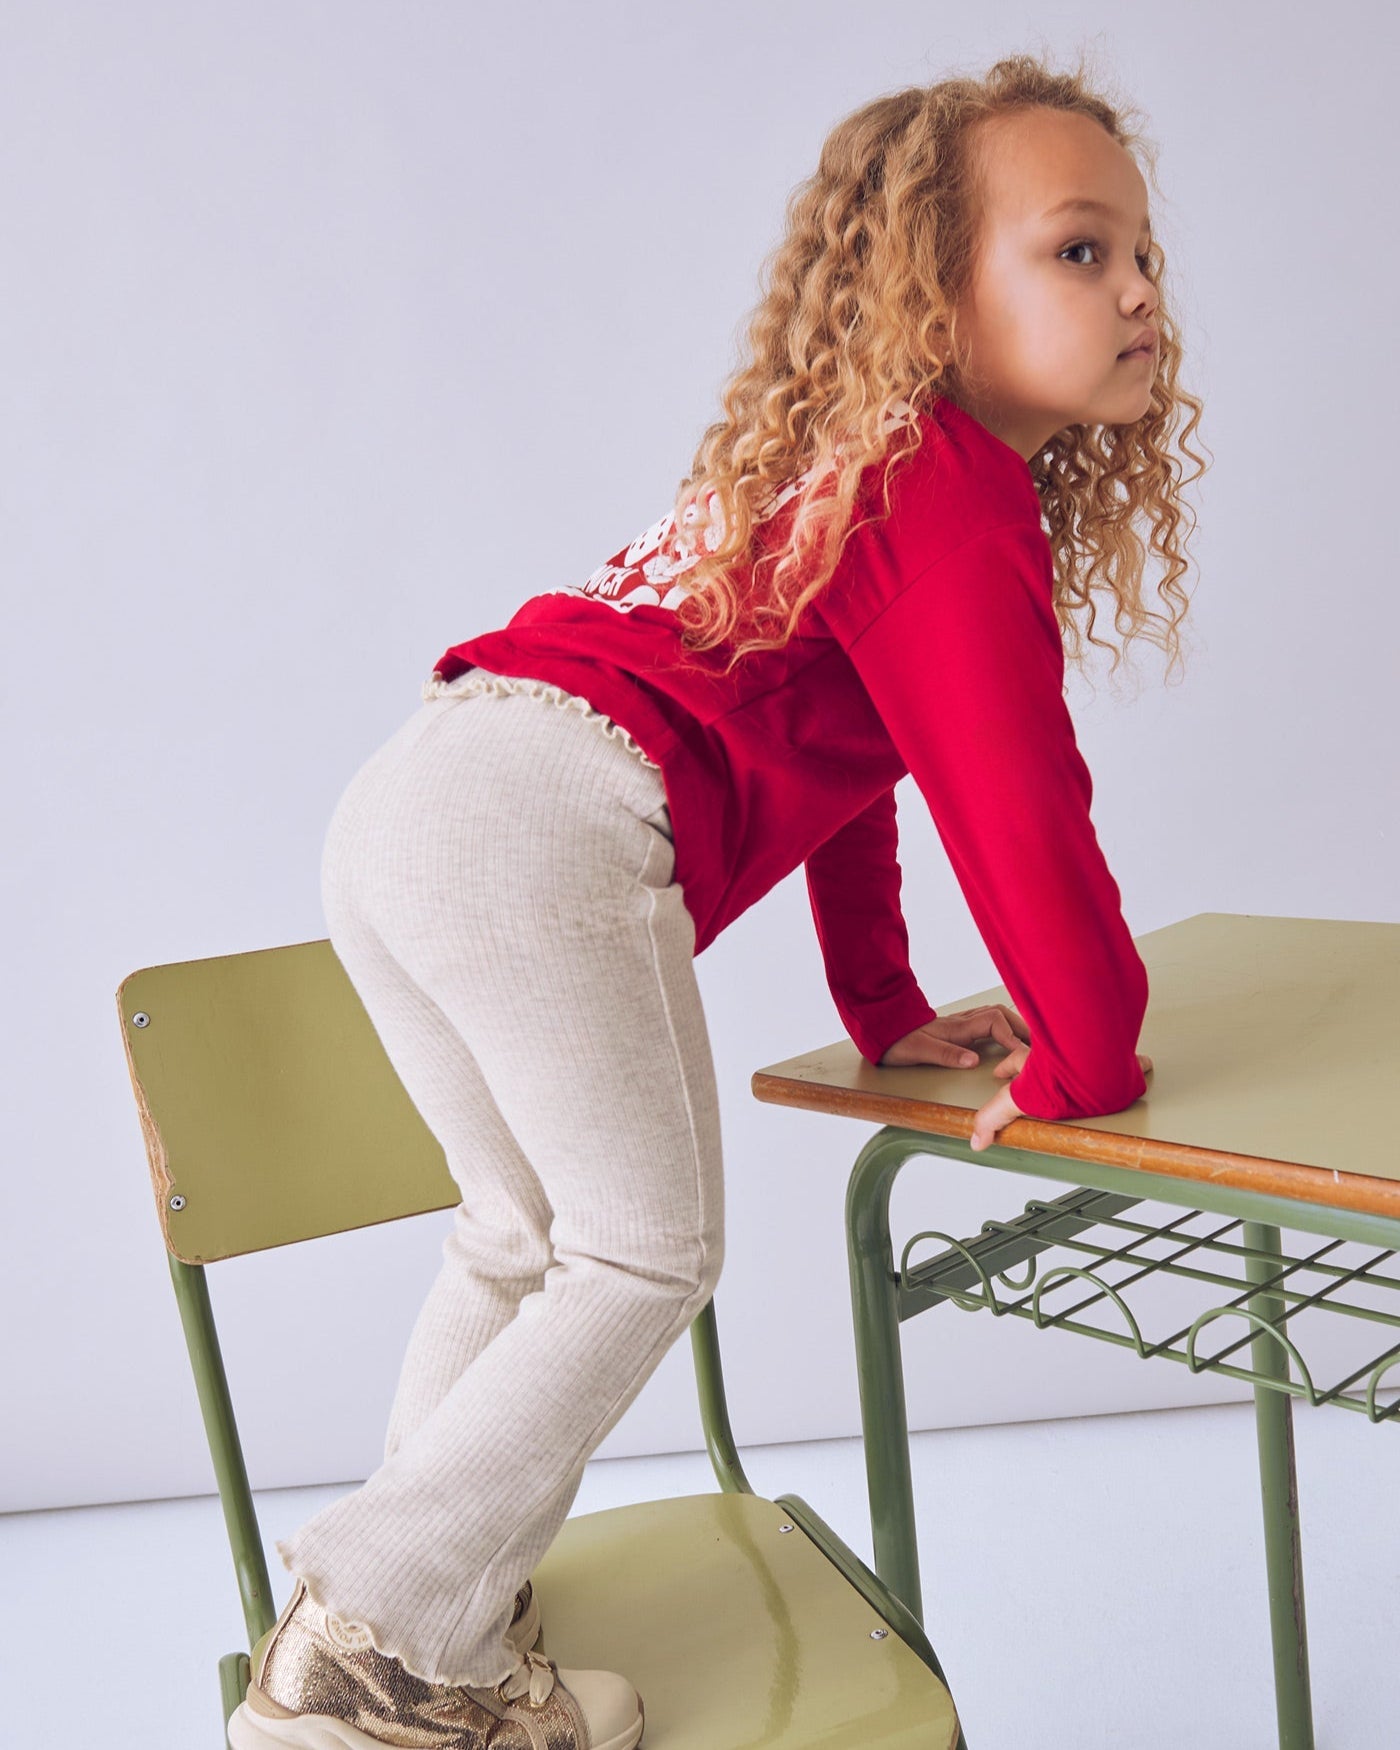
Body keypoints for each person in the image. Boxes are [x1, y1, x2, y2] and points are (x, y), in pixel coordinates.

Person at [228, 48, 1205, 1750]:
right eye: (1076, 249)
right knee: (643, 1248)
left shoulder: (858, 462)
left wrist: (885, 1006)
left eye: (1141, 254)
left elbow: (863, 766)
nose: (1135, 291)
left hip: (422, 792)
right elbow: (1016, 804)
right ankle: (368, 1649)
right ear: (933, 292)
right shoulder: (943, 491)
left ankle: (441, 1620)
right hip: (543, 818)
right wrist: (1087, 1049)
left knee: (519, 1230)